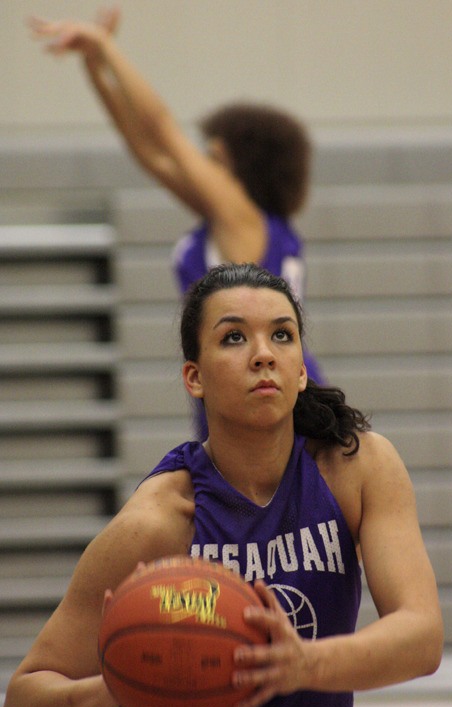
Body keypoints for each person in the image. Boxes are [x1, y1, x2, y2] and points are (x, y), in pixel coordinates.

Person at [5, 263, 443, 707]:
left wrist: (303, 663)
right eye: (234, 337)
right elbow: (24, 697)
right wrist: (119, 685)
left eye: (282, 335)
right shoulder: (159, 521)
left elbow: (423, 637)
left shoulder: (355, 468)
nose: (263, 355)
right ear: (194, 378)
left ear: (301, 373)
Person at [28, 7, 325, 439]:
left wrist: (108, 48)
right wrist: (94, 66)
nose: (198, 165)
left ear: (241, 168)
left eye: (212, 159)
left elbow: (164, 129)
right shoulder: (230, 222)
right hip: (235, 392)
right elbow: (148, 151)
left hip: (272, 400)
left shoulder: (242, 218)